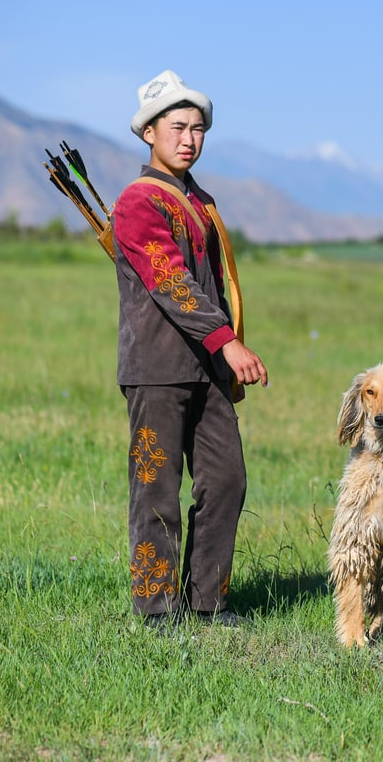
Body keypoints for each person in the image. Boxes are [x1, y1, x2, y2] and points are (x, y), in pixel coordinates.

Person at [112, 69, 268, 631]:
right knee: (156, 487)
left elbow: (213, 285)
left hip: (207, 367)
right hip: (156, 368)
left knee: (227, 480)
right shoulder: (137, 201)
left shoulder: (198, 201)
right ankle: (155, 607)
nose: (189, 138)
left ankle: (207, 600)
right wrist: (228, 342)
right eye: (177, 127)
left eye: (198, 128)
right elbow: (170, 280)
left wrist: (221, 349)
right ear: (149, 133)